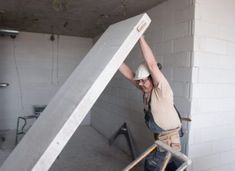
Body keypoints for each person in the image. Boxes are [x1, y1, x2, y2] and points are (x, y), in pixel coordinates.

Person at [119, 36, 182, 171]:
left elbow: (152, 65)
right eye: (139, 81)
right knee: (169, 166)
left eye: (143, 80)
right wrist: (116, 59)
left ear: (152, 79)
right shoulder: (147, 90)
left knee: (151, 166)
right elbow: (130, 75)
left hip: (170, 142)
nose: (140, 84)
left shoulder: (161, 91)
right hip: (161, 141)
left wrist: (139, 36)